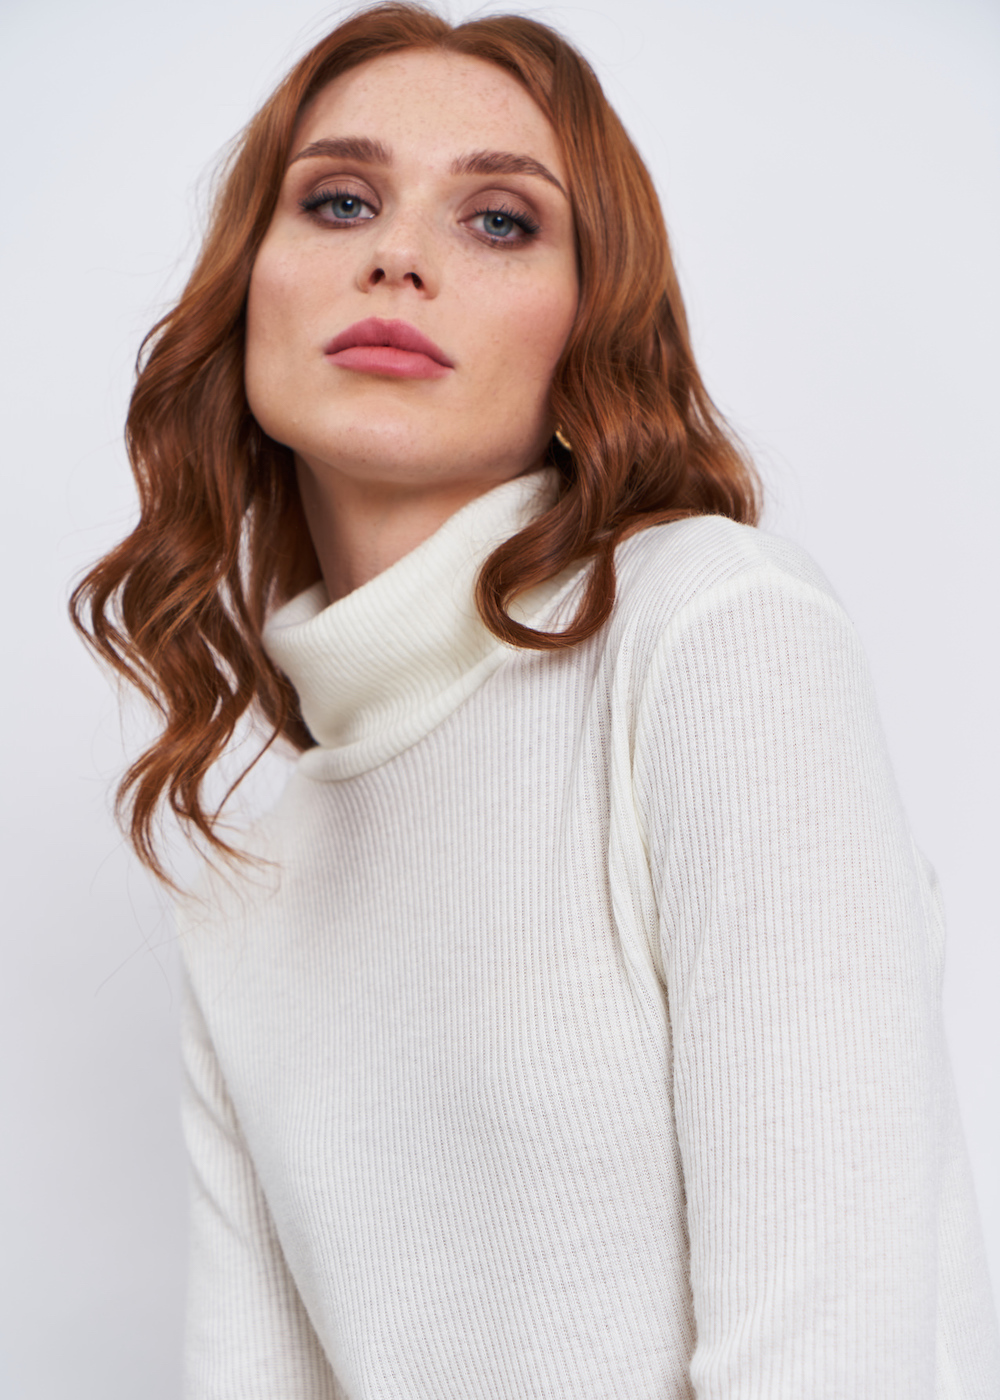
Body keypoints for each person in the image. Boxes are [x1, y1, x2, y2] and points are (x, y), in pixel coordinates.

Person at [70, 3, 999, 1395]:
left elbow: (833, 1353)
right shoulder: (248, 870)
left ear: (587, 332)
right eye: (339, 201)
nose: (397, 256)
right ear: (247, 291)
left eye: (500, 220)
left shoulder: (710, 631)